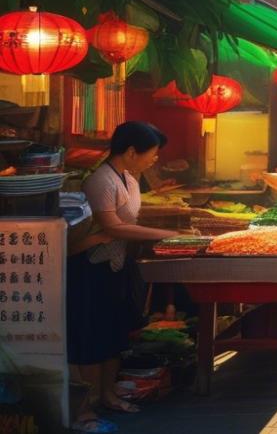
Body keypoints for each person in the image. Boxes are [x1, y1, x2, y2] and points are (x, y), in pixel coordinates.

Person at [69, 122, 179, 431]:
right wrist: (168, 234)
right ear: (131, 151)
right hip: (91, 266)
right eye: (153, 153)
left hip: (116, 263)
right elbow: (113, 227)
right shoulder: (101, 180)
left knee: (114, 332)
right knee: (92, 335)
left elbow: (129, 221)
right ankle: (87, 405)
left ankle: (108, 394)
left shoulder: (130, 178)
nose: (154, 159)